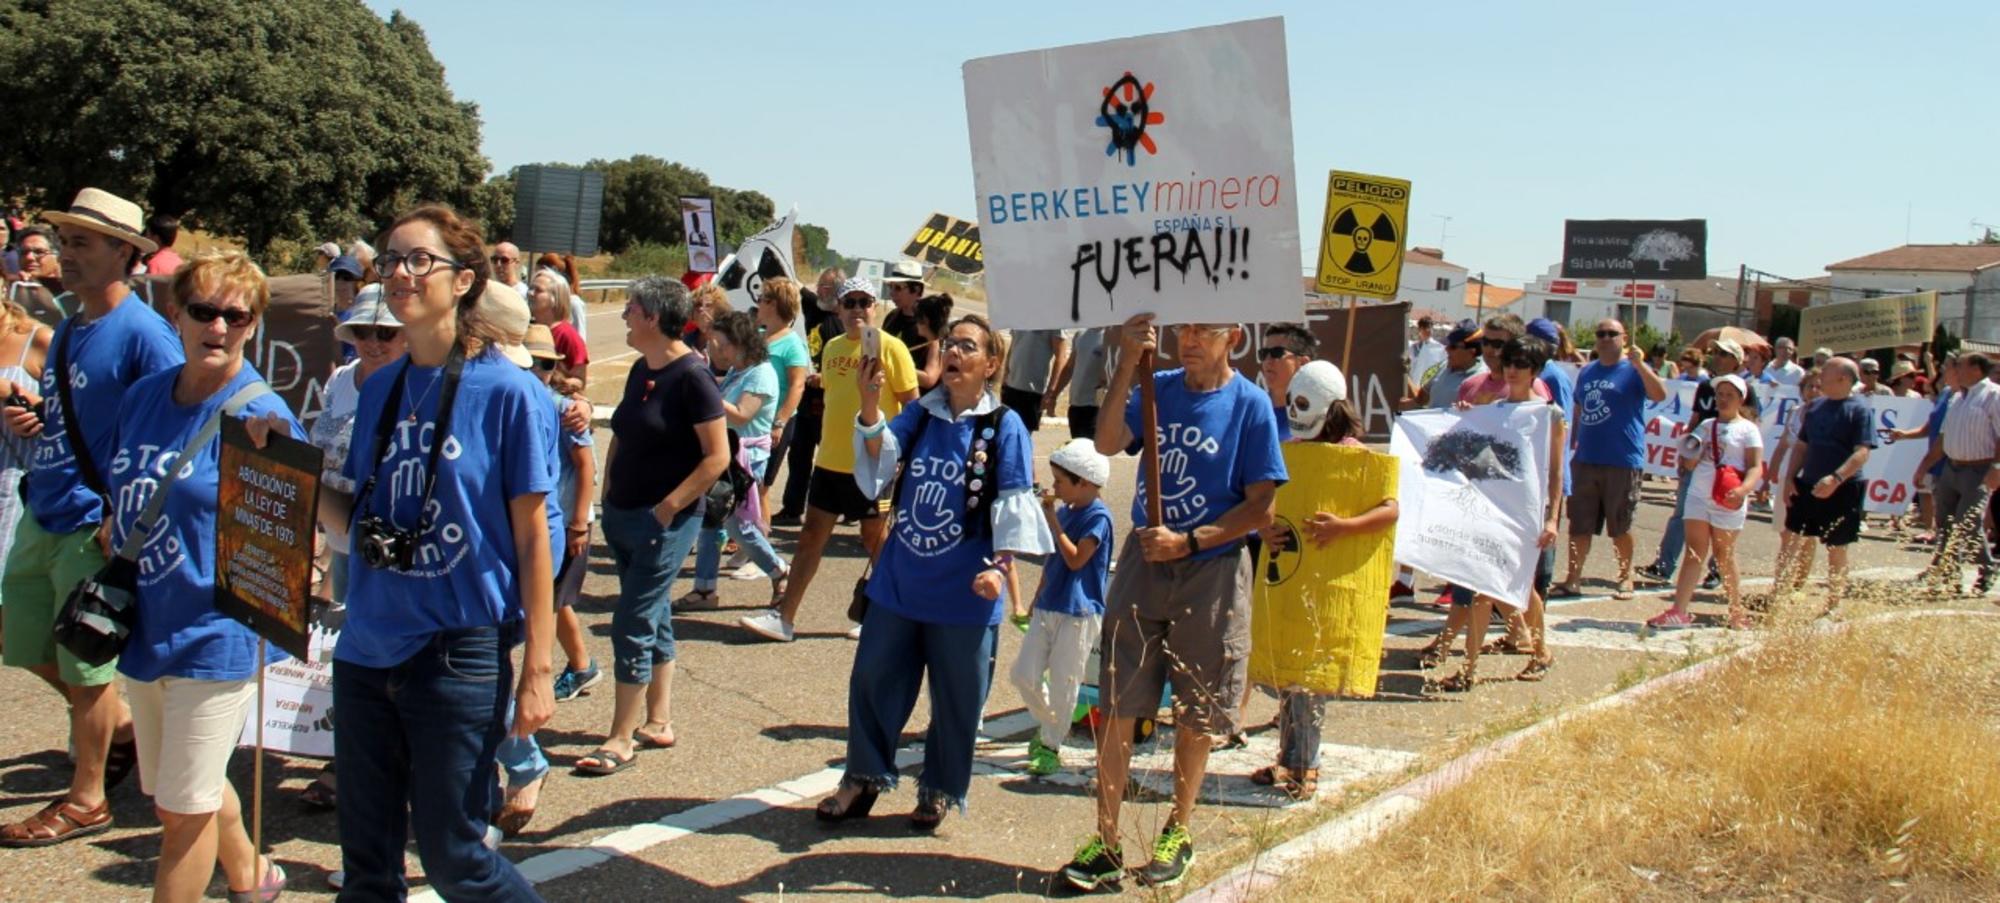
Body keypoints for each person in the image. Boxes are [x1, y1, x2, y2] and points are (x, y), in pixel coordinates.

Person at [323, 205, 556, 900]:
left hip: (455, 652)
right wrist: (282, 473)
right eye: (391, 258)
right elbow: (358, 516)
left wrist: (538, 666)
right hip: (366, 646)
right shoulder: (380, 386)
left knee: (456, 856)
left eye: (418, 259)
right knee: (367, 864)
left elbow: (532, 536)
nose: (398, 272)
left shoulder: (508, 392)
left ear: (463, 281)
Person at [1062, 313, 1286, 891]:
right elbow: (1107, 443)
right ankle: (1105, 840)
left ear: (1233, 337)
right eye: (1184, 329)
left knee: (1197, 709)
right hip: (1143, 563)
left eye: (1205, 331)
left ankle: (1178, 829)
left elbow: (1261, 507)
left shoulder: (1250, 406)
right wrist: (1125, 365)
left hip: (1210, 571)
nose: (1189, 340)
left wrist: (1189, 540)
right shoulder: (1155, 388)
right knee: (1118, 703)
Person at [817, 314, 1053, 828]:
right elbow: (877, 464)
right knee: (873, 680)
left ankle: (940, 788)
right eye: (950, 343)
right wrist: (869, 400)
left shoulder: (1002, 426)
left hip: (966, 595)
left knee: (957, 700)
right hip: (901, 583)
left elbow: (1014, 503)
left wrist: (1000, 567)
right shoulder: (921, 415)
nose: (953, 352)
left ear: (991, 364)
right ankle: (860, 779)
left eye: (967, 346)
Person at [115, 251, 300, 902]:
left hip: (215, 635)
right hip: (144, 623)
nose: (219, 327)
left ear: (254, 326)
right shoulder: (143, 397)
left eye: (236, 315)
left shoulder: (261, 412)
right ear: (176, 313)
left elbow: (287, 550)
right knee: (181, 786)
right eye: (204, 311)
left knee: (181, 813)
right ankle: (253, 875)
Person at [0, 189, 182, 848]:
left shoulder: (145, 334)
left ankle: (86, 797)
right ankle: (122, 731)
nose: (64, 254)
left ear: (126, 254)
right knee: (21, 641)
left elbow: (174, 425)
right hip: (42, 509)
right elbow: (84, 418)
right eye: (64, 240)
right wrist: (38, 419)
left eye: (81, 243)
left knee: (86, 665)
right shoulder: (72, 323)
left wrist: (124, 513)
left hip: (92, 521)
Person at [572, 277, 728, 777]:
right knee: (653, 612)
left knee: (632, 620)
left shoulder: (693, 378)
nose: (624, 316)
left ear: (655, 318)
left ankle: (620, 737)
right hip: (622, 513)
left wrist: (668, 507)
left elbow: (717, 457)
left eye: (631, 309)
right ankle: (658, 720)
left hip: (666, 522)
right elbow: (622, 430)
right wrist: (607, 492)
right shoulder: (643, 368)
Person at [739, 278, 919, 643]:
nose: (857, 309)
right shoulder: (834, 346)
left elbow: (912, 405)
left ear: (875, 306)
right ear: (837, 308)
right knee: (810, 537)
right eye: (849, 302)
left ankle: (882, 616)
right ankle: (784, 617)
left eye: (864, 302)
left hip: (872, 465)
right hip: (830, 463)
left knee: (875, 540)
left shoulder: (892, 347)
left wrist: (903, 455)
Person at [1252, 361, 1397, 800]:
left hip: (1328, 589)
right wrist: (1265, 528)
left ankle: (1304, 766)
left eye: (1304, 403)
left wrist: (1345, 527)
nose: (1295, 411)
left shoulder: (1358, 458)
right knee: (1290, 679)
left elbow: (1390, 508)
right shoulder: (1289, 450)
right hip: (1292, 586)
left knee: (1309, 685)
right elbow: (1266, 503)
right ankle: (1289, 759)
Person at [297, 288, 407, 811]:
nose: (373, 342)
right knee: (352, 656)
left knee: (389, 660)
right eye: (362, 332)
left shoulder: (416, 386)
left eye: (385, 332)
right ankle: (347, 758)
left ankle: (377, 766)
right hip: (341, 539)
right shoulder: (342, 381)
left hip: (390, 548)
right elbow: (318, 453)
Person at [1421, 336, 1562, 688]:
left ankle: (1540, 651)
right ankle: (1469, 669)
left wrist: (1552, 518)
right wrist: (1470, 418)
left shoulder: (1548, 414)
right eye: (1509, 363)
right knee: (1484, 586)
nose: (1512, 371)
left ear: (1536, 372)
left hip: (1523, 514)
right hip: (1489, 510)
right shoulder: (1493, 407)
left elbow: (1556, 472)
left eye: (1521, 365)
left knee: (1518, 588)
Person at [1009, 439, 1113, 777]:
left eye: (1060, 482)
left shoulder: (1098, 516)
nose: (1055, 488)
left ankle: (1051, 743)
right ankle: (1049, 725)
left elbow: (1075, 560)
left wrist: (1053, 521)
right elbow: (1052, 562)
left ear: (1083, 482)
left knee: (1065, 683)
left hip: (1079, 612)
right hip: (1050, 605)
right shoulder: (1067, 512)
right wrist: (1036, 598)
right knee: (1023, 674)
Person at [1552, 319, 1668, 600]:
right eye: (1600, 333)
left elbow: (1659, 394)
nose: (1605, 338)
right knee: (1579, 523)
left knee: (1620, 525)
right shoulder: (1588, 371)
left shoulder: (1633, 370)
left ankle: (1624, 576)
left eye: (1611, 334)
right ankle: (1573, 578)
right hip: (1587, 457)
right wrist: (1571, 445)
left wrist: (1641, 365)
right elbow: (1578, 411)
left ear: (1624, 337)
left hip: (1623, 458)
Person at [683, 311, 791, 608]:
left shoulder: (761, 374)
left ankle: (779, 570)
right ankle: (704, 589)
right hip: (726, 456)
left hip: (745, 460)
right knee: (711, 522)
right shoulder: (738, 371)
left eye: (720, 343)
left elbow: (743, 413)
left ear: (738, 343)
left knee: (737, 527)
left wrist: (706, 391)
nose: (715, 349)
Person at [1647, 374, 1764, 630]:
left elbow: (1756, 466)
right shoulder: (1706, 425)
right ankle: (1679, 610)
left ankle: (1736, 612)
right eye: (1720, 394)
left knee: (1724, 555)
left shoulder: (1748, 429)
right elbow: (1690, 462)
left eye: (1729, 395)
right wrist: (1688, 453)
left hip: (1728, 497)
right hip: (1700, 494)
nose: (1722, 399)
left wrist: (1744, 490)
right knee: (1694, 552)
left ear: (1741, 399)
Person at [524, 324, 601, 706]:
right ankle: (581, 664)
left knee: (551, 600)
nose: (535, 370)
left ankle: (579, 664)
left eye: (543, 363)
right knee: (554, 600)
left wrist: (578, 524)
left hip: (566, 521)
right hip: (540, 521)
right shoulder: (522, 402)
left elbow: (586, 466)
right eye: (528, 363)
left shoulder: (563, 409)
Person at [1639, 339, 1757, 589]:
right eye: (1716, 353)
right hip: (1700, 458)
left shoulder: (1746, 389)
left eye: (1725, 354)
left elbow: (1751, 422)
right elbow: (1695, 418)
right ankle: (1664, 564)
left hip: (1726, 464)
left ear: (1736, 360)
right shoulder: (1705, 387)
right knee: (1683, 512)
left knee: (1721, 519)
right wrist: (1685, 453)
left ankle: (1717, 570)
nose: (1718, 357)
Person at [1776, 357, 1875, 613]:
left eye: (1828, 372)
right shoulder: (1815, 407)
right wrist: (1788, 479)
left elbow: (1862, 452)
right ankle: (1779, 595)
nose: (1821, 377)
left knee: (1836, 547)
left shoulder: (1860, 410)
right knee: (1791, 538)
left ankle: (1833, 606)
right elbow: (1801, 446)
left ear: (1843, 378)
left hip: (1843, 489)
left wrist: (1836, 478)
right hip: (1808, 484)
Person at [773, 268, 849, 525]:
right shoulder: (814, 307)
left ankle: (849, 508)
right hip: (806, 397)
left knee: (833, 458)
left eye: (825, 288)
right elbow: (792, 283)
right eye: (819, 286)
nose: (819, 290)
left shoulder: (843, 325)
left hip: (830, 402)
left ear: (838, 293)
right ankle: (792, 508)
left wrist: (824, 378)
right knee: (799, 454)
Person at [1923, 353, 2000, 594]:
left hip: (1979, 468)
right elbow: (1943, 437)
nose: (1955, 369)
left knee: (1967, 523)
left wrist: (1997, 468)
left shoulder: (1994, 396)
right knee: (1944, 523)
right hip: (1951, 466)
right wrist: (1923, 466)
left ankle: (1987, 568)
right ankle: (1950, 574)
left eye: (1960, 365)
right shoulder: (1956, 397)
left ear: (1976, 370)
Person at [0, 292, 50, 637]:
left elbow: (79, 412)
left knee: (9, 627)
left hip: (14, 496)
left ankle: (89, 694)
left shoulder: (39, 339)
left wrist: (12, 395)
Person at [754, 277, 811, 538]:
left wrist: (780, 422)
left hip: (775, 424)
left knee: (761, 487)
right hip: (752, 421)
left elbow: (797, 386)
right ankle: (745, 540)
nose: (758, 302)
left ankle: (760, 547)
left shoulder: (792, 343)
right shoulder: (760, 337)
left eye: (763, 298)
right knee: (749, 485)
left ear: (776, 304)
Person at [1456, 314, 1548, 407]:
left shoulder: (1530, 386)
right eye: (1485, 341)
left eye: (1497, 344)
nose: (1489, 348)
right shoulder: (1468, 385)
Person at [1001, 327, 1071, 433]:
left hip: (1032, 392)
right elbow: (1014, 345)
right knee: (1002, 433)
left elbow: (1061, 358)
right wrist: (1004, 375)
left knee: (1022, 437)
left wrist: (1051, 393)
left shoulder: (1055, 321)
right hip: (1010, 386)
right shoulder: (1020, 314)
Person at [529, 268, 588, 391]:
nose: (530, 293)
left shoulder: (568, 335)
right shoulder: (527, 328)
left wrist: (553, 383)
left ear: (554, 298)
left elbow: (580, 380)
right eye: (531, 288)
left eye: (538, 290)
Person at [1403, 320, 1484, 410]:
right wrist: (1402, 373)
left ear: (1471, 352)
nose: (1447, 349)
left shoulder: (1482, 379)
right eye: (1448, 344)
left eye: (1453, 347)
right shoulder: (1444, 366)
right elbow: (1420, 399)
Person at [880, 261, 934, 387]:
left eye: (898, 288)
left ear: (916, 290)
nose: (892, 293)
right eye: (890, 286)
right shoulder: (891, 317)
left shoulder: (929, 324)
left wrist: (894, 365)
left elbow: (929, 379)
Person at [1053, 327, 1112, 442]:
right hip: (1076, 406)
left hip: (1095, 407)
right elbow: (1070, 367)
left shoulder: (1111, 336)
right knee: (1078, 449)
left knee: (1092, 452)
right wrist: (1054, 395)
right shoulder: (1081, 334)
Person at [1259, 323, 1316, 412]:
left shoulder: (1318, 415)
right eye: (1263, 353)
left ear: (1303, 363)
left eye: (1277, 352)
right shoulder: (1251, 411)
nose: (1267, 360)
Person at [1407, 316, 1446, 391]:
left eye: (1429, 328)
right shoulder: (1412, 347)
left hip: (1427, 389)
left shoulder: (1440, 349)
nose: (1427, 330)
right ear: (1419, 329)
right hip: (1412, 388)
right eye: (1424, 328)